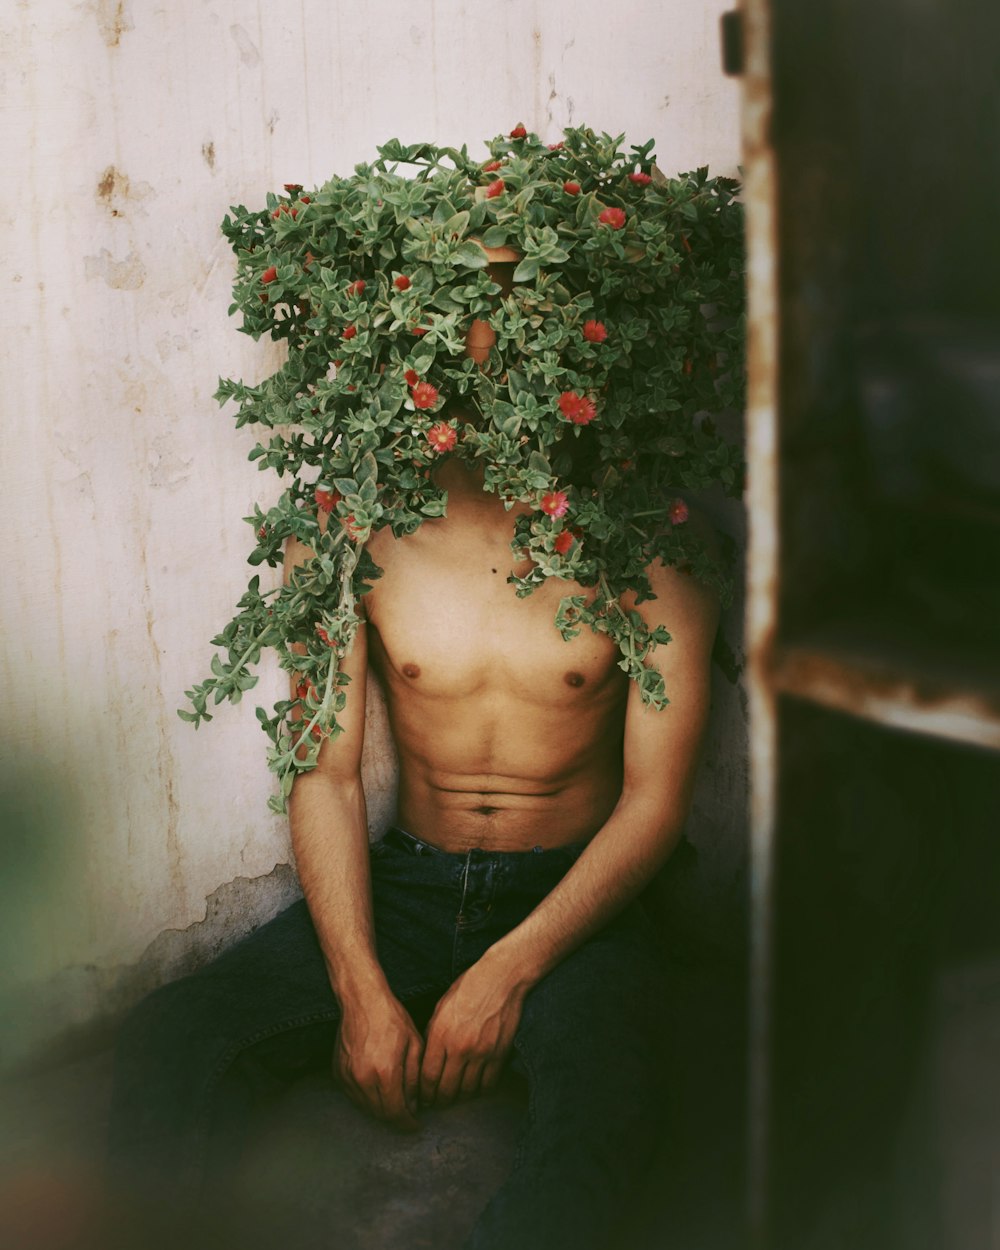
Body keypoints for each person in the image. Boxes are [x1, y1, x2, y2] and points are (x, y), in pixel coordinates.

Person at [108, 280, 721, 1250]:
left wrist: (508, 972)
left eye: (540, 340)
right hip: (404, 888)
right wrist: (358, 987)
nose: (509, 370)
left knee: (613, 1111)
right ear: (430, 353)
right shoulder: (351, 535)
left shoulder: (650, 556)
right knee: (170, 1047)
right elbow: (328, 772)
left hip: (574, 905)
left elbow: (652, 804)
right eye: (480, 340)